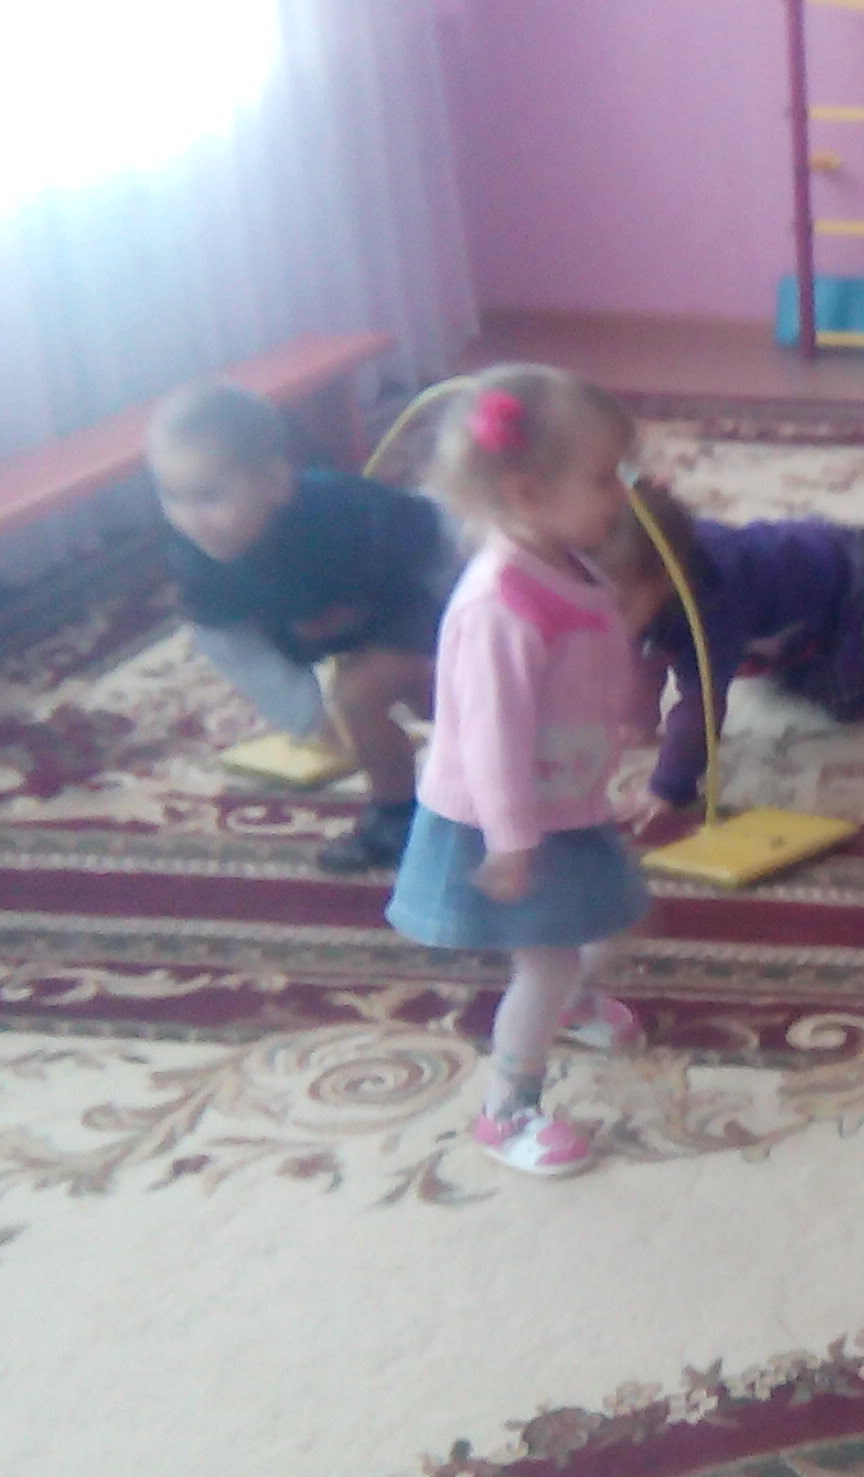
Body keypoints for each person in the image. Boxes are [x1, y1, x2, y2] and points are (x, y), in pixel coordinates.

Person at [383, 366, 653, 1178]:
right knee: (548, 958)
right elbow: (490, 737)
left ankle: (572, 1006)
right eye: (604, 478)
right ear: (528, 493)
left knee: (610, 914)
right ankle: (507, 1111)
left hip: (561, 800)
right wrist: (509, 840)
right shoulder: (500, 605)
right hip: (503, 820)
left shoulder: (563, 563)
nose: (622, 495)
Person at [147, 380, 456, 877]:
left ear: (275, 483)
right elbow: (234, 647)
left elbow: (437, 543)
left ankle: (484, 782)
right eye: (172, 496)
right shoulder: (198, 566)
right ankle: (399, 814)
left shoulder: (344, 514)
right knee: (364, 705)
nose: (191, 519)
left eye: (209, 496)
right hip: (354, 621)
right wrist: (307, 715)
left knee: (380, 694)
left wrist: (462, 638)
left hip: (424, 589)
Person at [605, 481, 864, 826]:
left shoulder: (712, 602)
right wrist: (638, 720)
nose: (599, 616)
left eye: (617, 604)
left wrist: (668, 788)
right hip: (785, 605)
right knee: (761, 662)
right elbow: (645, 651)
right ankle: (795, 649)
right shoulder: (647, 575)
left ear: (665, 582)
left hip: (853, 584)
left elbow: (701, 704)